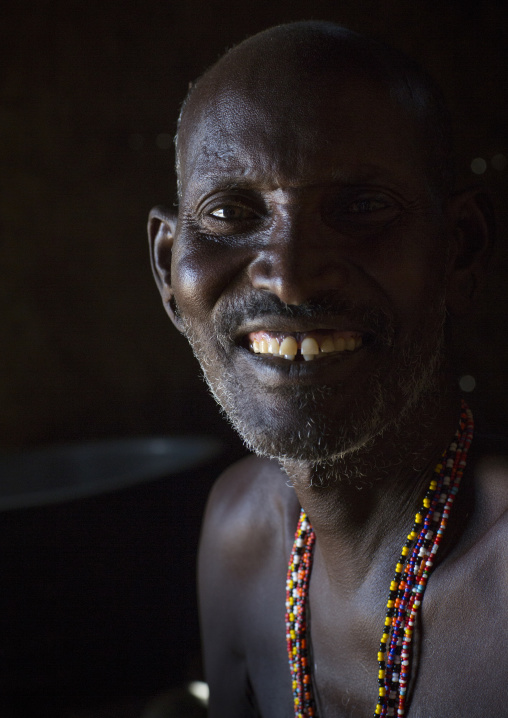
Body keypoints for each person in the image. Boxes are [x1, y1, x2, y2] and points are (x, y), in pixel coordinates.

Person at [147, 21, 506, 718]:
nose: (288, 278)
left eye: (362, 208)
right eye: (230, 213)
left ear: (459, 250)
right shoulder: (239, 534)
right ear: (168, 268)